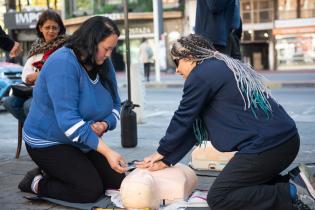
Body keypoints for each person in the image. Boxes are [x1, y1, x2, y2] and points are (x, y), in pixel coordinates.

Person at [137, 34, 315, 210]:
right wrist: (167, 159)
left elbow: (183, 116)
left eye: (176, 62)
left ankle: (295, 192)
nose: (176, 70)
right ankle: (298, 182)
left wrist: (162, 150)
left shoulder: (201, 74)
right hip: (283, 140)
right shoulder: (218, 66)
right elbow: (193, 126)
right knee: (240, 187)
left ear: (190, 58)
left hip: (269, 146)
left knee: (220, 197)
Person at [18, 16, 127, 203]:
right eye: (106, 48)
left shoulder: (103, 62)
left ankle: (63, 171)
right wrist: (108, 152)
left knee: (118, 182)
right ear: (92, 43)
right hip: (48, 142)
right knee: (88, 190)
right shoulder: (63, 63)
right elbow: (69, 122)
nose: (109, 54)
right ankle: (36, 182)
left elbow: (117, 105)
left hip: (81, 140)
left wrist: (105, 124)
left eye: (112, 49)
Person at [3, 10, 67, 122]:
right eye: (47, 27)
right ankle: (34, 130)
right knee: (9, 102)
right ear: (41, 28)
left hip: (54, 92)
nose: (51, 31)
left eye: (54, 28)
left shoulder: (65, 47)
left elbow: (65, 71)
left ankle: (36, 134)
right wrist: (29, 78)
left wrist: (40, 75)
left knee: (29, 105)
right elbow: (26, 73)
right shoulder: (37, 48)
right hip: (33, 90)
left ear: (59, 29)